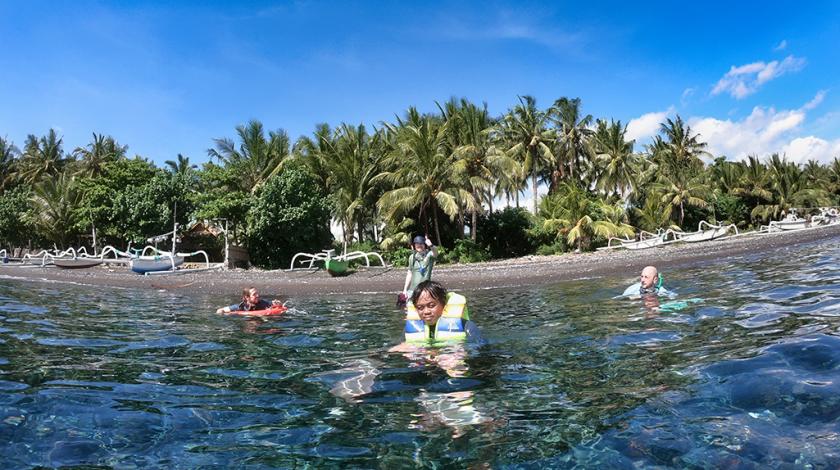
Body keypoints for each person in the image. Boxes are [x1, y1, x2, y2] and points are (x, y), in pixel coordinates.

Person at [398, 280, 481, 346]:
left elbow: (479, 347)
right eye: (420, 308)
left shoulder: (466, 326)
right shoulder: (410, 329)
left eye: (431, 305)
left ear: (444, 303)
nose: (426, 312)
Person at [399, 235, 438, 306]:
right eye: (417, 244)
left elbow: (436, 252)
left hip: (425, 290)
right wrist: (405, 290)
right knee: (408, 310)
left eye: (421, 244)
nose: (419, 245)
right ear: (414, 245)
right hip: (412, 290)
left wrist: (431, 245)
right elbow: (409, 273)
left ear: (425, 245)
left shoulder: (429, 255)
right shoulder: (412, 257)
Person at [216, 287, 280, 314]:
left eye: (257, 293)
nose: (257, 295)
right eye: (254, 294)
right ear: (247, 297)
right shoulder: (240, 307)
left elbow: (276, 303)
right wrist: (221, 312)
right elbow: (220, 310)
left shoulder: (263, 302)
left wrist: (277, 303)